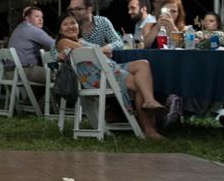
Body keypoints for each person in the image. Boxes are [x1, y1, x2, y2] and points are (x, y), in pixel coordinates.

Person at [54, 11, 164, 139]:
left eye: (73, 23)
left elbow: (91, 52)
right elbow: (88, 51)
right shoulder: (63, 42)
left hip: (109, 69)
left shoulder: (81, 40)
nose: (70, 26)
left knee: (143, 64)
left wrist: (101, 52)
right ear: (60, 31)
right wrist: (102, 50)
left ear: (78, 26)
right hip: (99, 77)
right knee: (141, 83)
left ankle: (150, 101)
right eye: (65, 24)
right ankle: (150, 130)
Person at [7, 5, 54, 84]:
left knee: (44, 84)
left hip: (9, 72)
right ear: (27, 18)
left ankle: (32, 97)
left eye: (42, 17)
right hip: (22, 72)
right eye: (36, 16)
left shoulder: (20, 27)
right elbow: (54, 45)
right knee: (60, 77)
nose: (40, 19)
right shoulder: (32, 29)